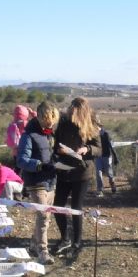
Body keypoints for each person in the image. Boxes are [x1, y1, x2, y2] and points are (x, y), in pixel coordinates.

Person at [52, 97, 101, 257]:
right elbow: (56, 143)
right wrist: (58, 150)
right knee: (57, 205)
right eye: (71, 107)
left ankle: (77, 243)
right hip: (64, 169)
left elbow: (99, 149)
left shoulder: (91, 124)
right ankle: (65, 238)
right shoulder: (64, 122)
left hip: (82, 172)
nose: (72, 110)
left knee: (76, 208)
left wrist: (87, 149)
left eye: (75, 108)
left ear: (82, 111)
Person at [16, 101, 60, 264]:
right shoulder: (28, 135)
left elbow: (49, 153)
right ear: (40, 116)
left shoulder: (50, 134)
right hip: (36, 182)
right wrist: (40, 165)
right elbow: (21, 160)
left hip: (51, 180)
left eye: (53, 121)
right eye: (47, 121)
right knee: (43, 216)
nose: (50, 124)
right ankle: (43, 251)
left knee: (46, 217)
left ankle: (34, 244)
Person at [94, 117, 118, 197]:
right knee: (98, 172)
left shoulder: (106, 134)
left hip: (107, 156)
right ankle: (100, 190)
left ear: (99, 125)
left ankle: (113, 185)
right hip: (98, 156)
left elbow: (111, 146)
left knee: (109, 173)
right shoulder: (93, 135)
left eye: (95, 125)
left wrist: (115, 157)